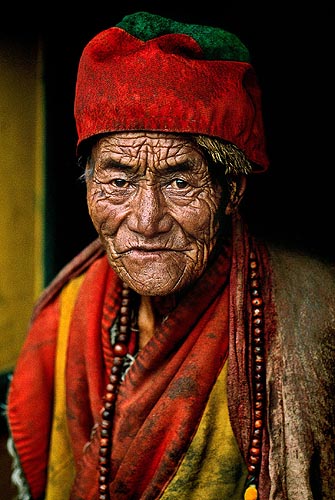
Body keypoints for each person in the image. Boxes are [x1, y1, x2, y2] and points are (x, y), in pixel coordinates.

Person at [5, 11, 335, 500]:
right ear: (87, 187)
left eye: (180, 182)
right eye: (118, 181)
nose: (146, 220)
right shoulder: (67, 314)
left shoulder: (318, 313)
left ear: (231, 192)